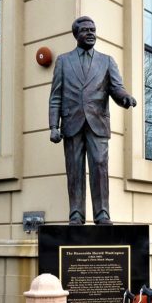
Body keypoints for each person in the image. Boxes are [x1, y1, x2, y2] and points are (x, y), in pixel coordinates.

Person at [48, 16, 136, 225]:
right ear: (76, 34)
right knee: (74, 169)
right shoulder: (63, 61)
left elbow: (116, 87)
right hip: (72, 124)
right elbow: (56, 96)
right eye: (86, 30)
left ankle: (102, 213)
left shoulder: (107, 61)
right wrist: (53, 125)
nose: (90, 33)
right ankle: (76, 214)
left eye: (93, 30)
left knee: (99, 167)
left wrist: (124, 97)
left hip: (98, 123)